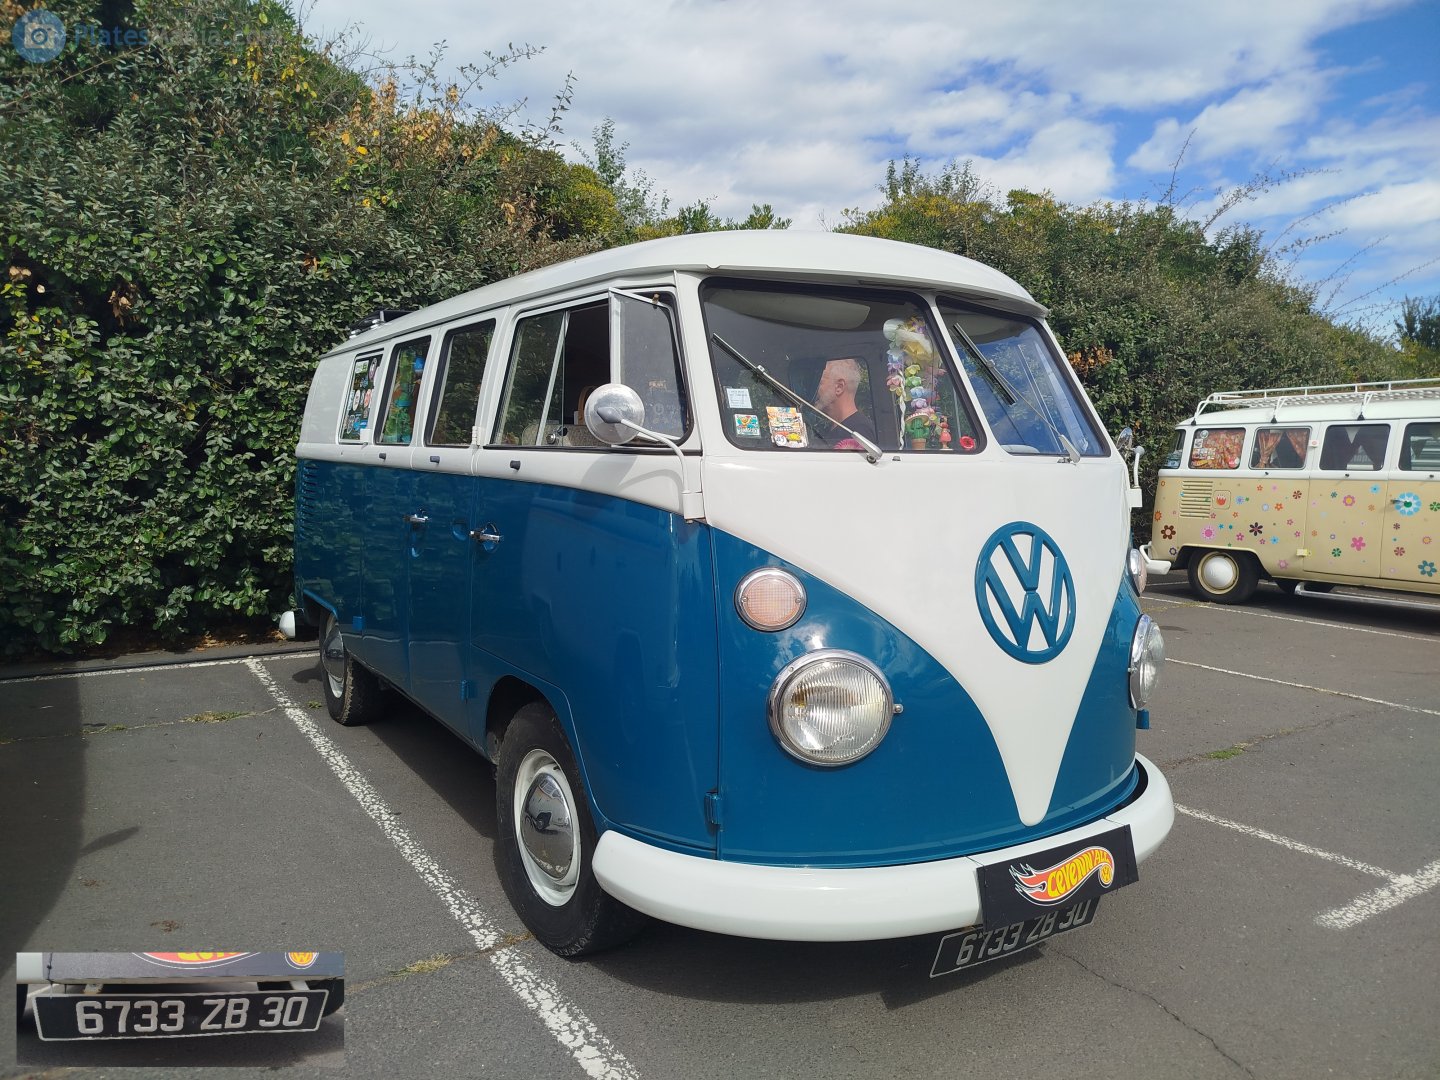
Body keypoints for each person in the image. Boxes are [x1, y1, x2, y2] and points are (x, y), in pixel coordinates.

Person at [812, 357, 876, 448]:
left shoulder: (860, 431)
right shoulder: (833, 428)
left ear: (839, 387)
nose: (815, 389)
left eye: (820, 383)